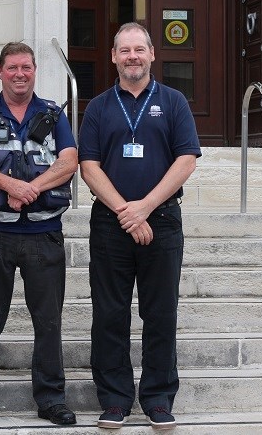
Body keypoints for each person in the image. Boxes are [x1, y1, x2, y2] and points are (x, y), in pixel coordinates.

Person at [78, 22, 201, 429]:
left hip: (161, 221)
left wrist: (145, 208)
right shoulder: (97, 107)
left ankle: (158, 398)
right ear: (113, 57)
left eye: (139, 49)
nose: (132, 56)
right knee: (109, 313)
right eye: (124, 50)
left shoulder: (174, 100)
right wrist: (125, 213)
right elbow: (88, 165)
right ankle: (114, 399)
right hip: (111, 224)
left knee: (161, 312)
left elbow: (186, 160)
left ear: (151, 54)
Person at [0, 42, 78, 429]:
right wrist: (11, 184)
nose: (20, 74)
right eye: (12, 68)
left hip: (45, 232)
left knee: (49, 320)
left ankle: (51, 399)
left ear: (35, 70)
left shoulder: (53, 114)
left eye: (26, 67)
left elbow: (69, 160)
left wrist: (31, 189)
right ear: (0, 72)